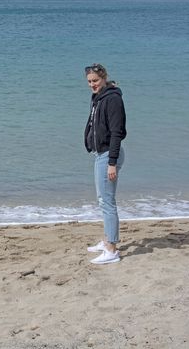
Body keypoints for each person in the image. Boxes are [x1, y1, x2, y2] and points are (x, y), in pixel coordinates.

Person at [83, 63, 127, 264]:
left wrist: (111, 163)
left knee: (108, 202)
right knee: (103, 200)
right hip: (100, 154)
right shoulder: (99, 97)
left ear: (104, 78)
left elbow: (117, 133)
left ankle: (111, 250)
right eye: (89, 81)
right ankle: (107, 240)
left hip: (109, 155)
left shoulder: (113, 99)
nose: (92, 84)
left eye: (95, 81)